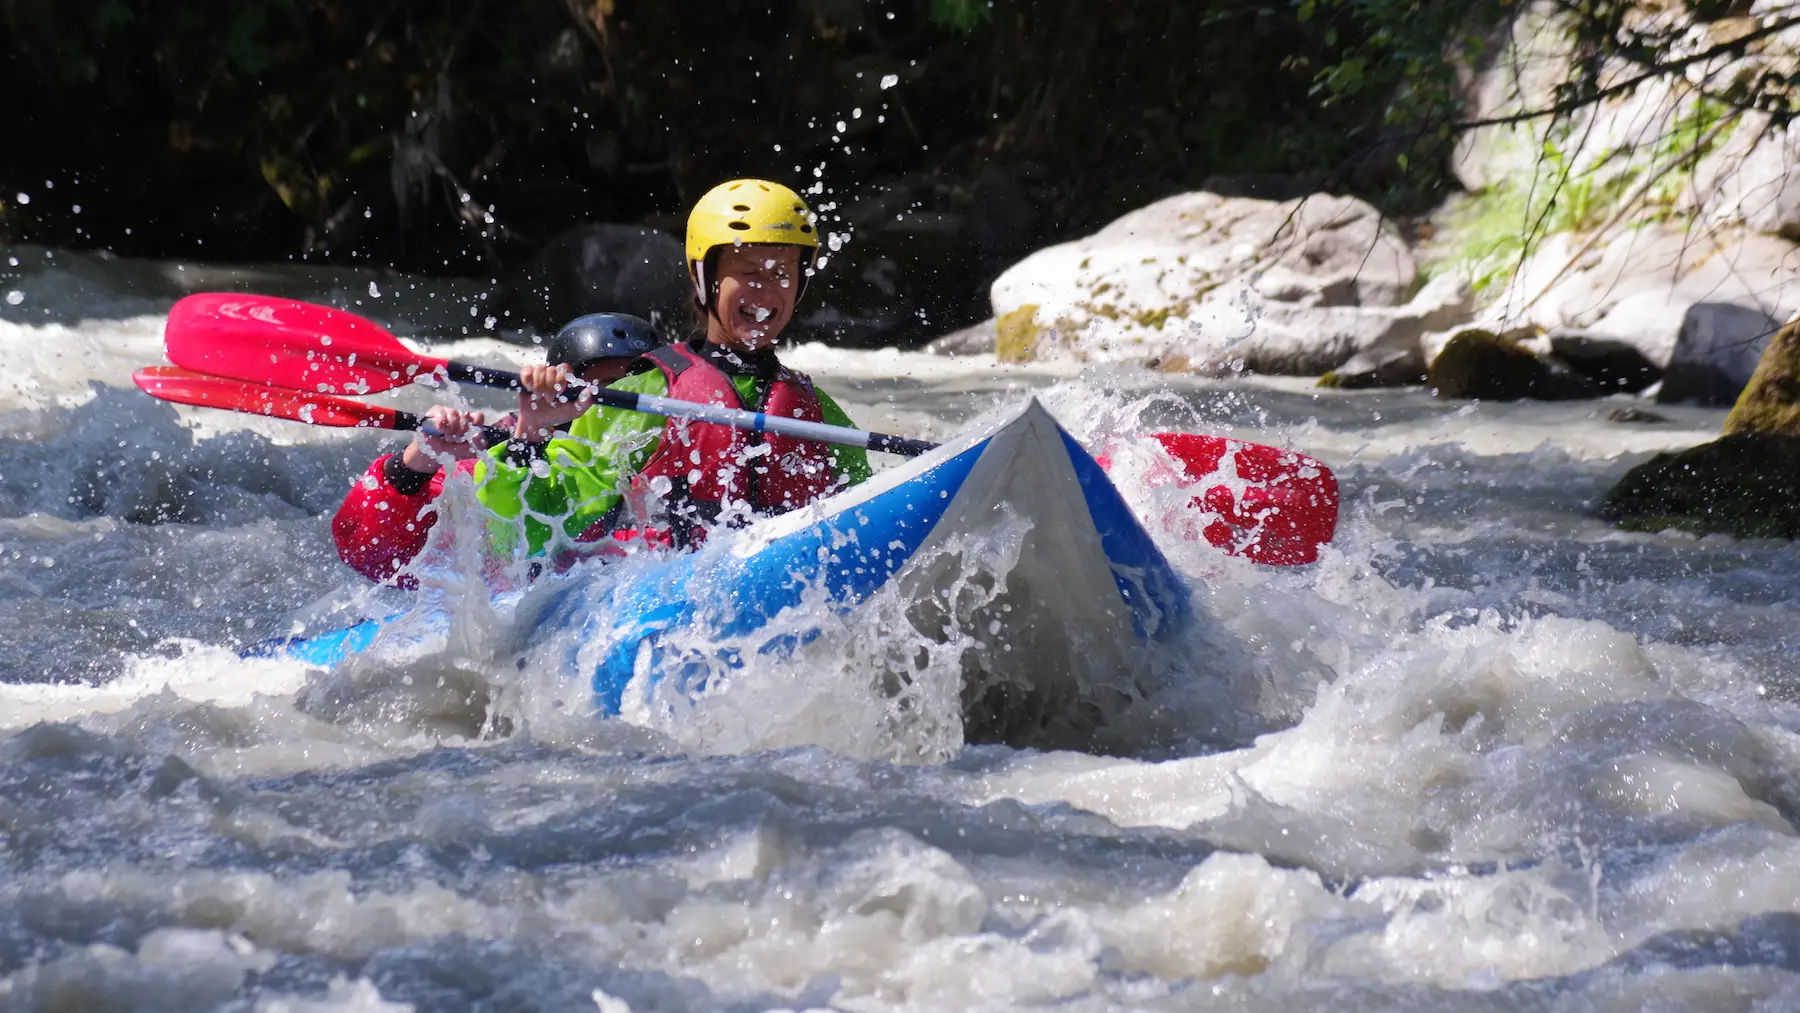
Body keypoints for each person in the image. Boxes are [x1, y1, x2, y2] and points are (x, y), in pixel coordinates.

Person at [475, 178, 871, 559]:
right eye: (748, 272)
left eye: (782, 274)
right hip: (668, 600)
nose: (766, 292)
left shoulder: (812, 407)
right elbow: (527, 537)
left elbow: (867, 507)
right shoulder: (648, 392)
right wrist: (529, 437)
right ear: (704, 279)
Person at [332, 313, 661, 585]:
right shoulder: (495, 459)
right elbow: (370, 555)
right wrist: (415, 464)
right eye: (604, 392)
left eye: (633, 393)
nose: (620, 410)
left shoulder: (665, 473)